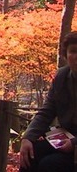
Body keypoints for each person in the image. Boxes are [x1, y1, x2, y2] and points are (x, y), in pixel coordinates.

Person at [20, 31, 77, 172]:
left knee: (50, 164)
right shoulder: (62, 77)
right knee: (30, 154)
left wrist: (75, 143)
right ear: (66, 55)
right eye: (73, 52)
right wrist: (28, 137)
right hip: (66, 136)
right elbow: (47, 111)